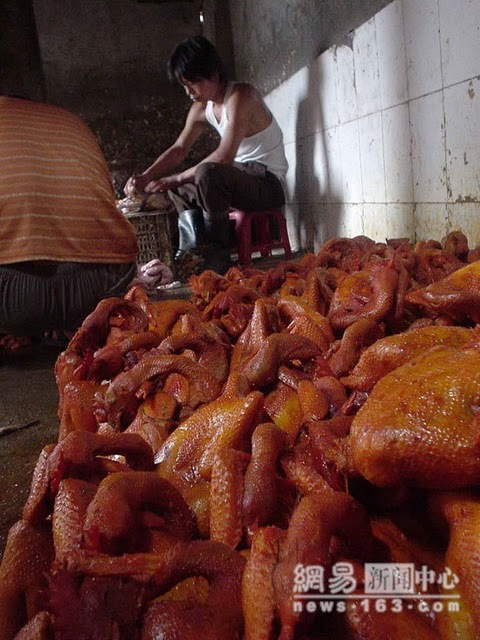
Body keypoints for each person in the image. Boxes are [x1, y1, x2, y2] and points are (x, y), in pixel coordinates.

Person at [125, 35, 288, 274]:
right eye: (184, 85)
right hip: (240, 178)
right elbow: (180, 148)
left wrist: (177, 177)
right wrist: (146, 176)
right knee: (174, 189)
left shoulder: (242, 96)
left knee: (207, 173)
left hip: (266, 185)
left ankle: (217, 254)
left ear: (212, 72)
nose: (188, 91)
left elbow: (224, 157)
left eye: (192, 82)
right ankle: (193, 251)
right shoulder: (202, 108)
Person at [0, 95, 138, 352]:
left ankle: (26, 326)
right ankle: (65, 326)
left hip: (15, 299)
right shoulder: (69, 120)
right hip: (101, 286)